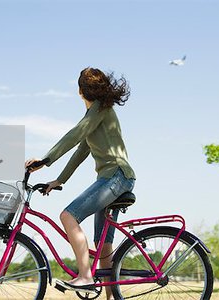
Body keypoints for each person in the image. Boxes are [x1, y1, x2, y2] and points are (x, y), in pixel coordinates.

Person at [25, 67, 136, 299]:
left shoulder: (99, 110)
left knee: (68, 216)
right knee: (102, 244)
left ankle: (85, 276)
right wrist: (58, 180)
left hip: (115, 176)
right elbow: (80, 151)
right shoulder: (95, 115)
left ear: (80, 91)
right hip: (117, 178)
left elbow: (76, 134)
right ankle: (109, 297)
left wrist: (45, 160)